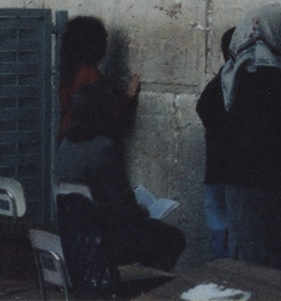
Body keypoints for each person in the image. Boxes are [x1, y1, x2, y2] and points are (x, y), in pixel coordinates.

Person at [197, 6, 281, 271]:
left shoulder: (234, 72)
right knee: (261, 266)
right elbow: (278, 140)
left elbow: (207, 108)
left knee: (237, 259)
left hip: (232, 180)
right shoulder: (269, 77)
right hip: (262, 188)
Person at [56, 85, 186, 272]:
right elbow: (123, 207)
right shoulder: (104, 148)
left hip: (76, 235)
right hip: (107, 236)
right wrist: (142, 211)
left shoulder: (66, 145)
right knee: (174, 237)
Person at [59, 15, 139, 141]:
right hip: (82, 138)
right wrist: (129, 95)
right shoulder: (89, 74)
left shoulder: (64, 69)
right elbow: (106, 111)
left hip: (65, 136)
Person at [198, 27, 235, 259]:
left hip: (216, 171)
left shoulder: (219, 81)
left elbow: (202, 108)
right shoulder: (240, 83)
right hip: (233, 176)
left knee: (220, 238)